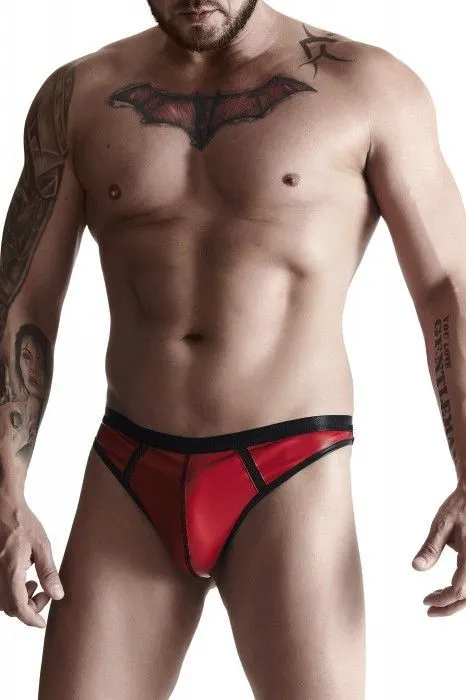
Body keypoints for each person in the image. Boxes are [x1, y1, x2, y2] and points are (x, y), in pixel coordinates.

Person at [0, 1, 465, 698]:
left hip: (290, 469)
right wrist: (6, 491)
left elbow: (447, 286)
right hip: (129, 471)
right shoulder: (80, 96)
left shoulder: (369, 87)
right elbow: (24, 301)